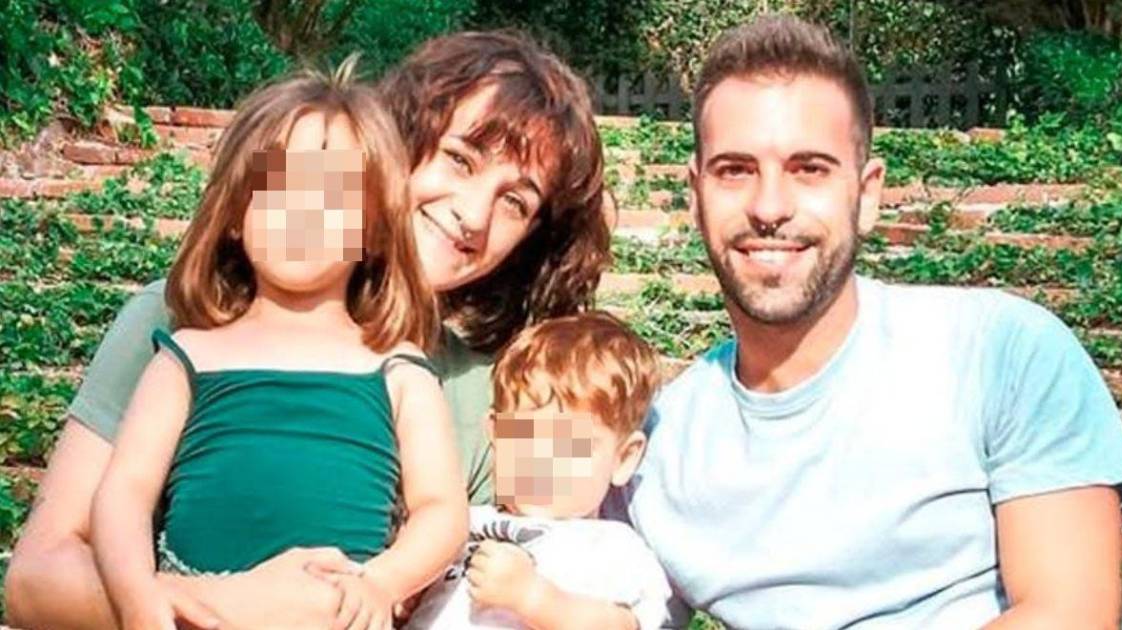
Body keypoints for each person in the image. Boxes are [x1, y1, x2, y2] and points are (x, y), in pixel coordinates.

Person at [5, 30, 609, 630]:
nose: (472, 215)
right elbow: (36, 581)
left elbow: (533, 570)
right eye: (459, 159)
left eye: (515, 202)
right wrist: (218, 603)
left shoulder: (489, 395)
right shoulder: (178, 326)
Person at [620, 14, 1122, 629]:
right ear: (695, 195)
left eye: (809, 169)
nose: (769, 207)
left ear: (867, 194)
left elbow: (1072, 614)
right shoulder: (655, 447)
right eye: (735, 170)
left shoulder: (1002, 352)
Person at [89, 61, 468, 630]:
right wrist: (138, 597)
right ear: (236, 212)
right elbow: (124, 493)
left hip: (332, 617)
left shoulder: (398, 368)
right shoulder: (189, 355)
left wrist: (382, 582)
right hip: (200, 615)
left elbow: (442, 510)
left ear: (372, 232)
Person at [408, 312, 670, 630]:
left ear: (623, 459)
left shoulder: (612, 548)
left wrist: (533, 598)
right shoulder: (461, 522)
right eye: (525, 437)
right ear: (495, 434)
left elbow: (624, 626)